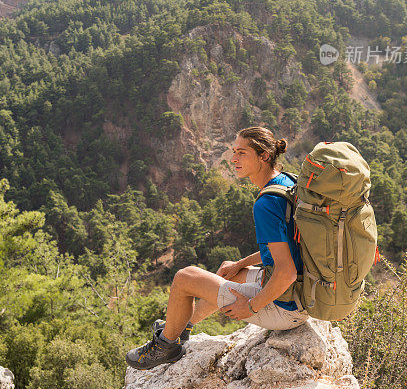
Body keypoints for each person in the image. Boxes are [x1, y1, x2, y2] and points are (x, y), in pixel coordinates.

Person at [125, 126, 308, 370]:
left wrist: (250, 307)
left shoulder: (267, 203)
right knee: (229, 273)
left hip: (287, 309)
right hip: (304, 294)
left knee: (185, 277)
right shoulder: (288, 183)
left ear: (264, 155)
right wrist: (241, 264)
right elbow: (287, 248)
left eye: (241, 153)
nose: (233, 159)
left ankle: (165, 346)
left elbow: (286, 272)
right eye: (234, 151)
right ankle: (182, 327)